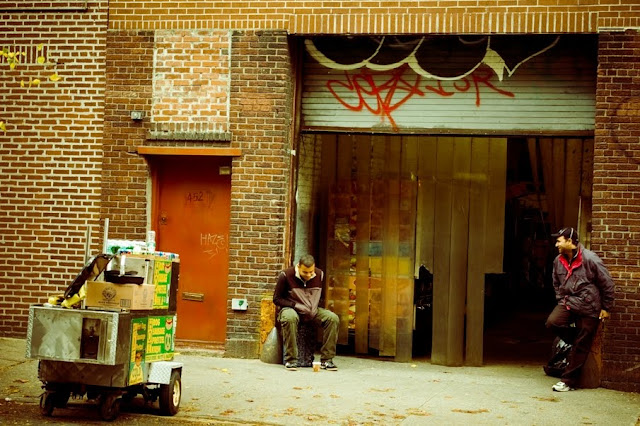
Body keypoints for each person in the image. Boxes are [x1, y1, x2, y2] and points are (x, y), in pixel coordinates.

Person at [546, 227, 614, 392]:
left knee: (582, 344)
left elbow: (607, 283)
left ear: (570, 241)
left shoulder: (590, 259)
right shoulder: (558, 261)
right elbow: (556, 282)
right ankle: (577, 343)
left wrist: (606, 307)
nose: (556, 244)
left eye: (559, 241)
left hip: (589, 305)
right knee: (552, 323)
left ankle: (568, 382)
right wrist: (560, 299)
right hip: (568, 302)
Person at [273, 254, 339, 371]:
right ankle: (291, 360)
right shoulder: (286, 275)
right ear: (298, 266)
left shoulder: (320, 274)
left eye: (311, 272)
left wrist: (314, 308)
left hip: (312, 310)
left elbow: (321, 296)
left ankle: (327, 360)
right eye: (305, 272)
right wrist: (295, 305)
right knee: (289, 318)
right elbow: (277, 299)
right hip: (291, 309)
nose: (309, 275)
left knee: (332, 318)